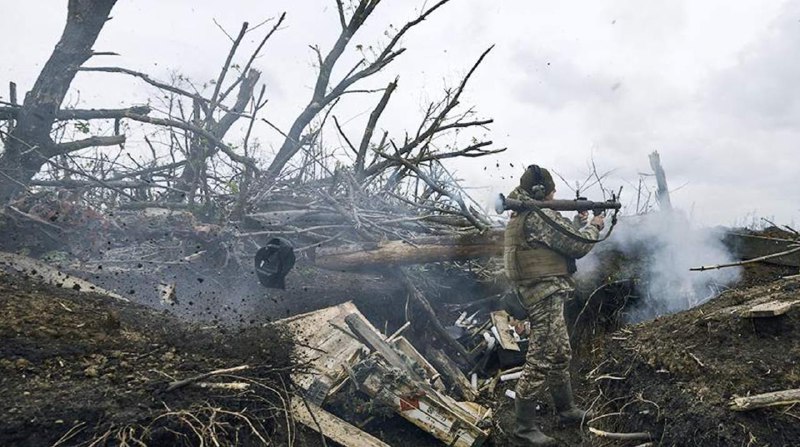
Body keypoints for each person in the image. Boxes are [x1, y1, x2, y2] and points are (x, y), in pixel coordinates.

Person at [503, 164, 605, 446]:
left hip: (540, 292)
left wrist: (577, 223)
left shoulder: (524, 213)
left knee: (560, 352)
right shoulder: (538, 215)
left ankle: (566, 410)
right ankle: (524, 429)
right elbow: (577, 245)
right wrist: (594, 226)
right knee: (540, 359)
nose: (554, 194)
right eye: (551, 191)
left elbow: (553, 241)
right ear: (541, 191)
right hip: (544, 294)